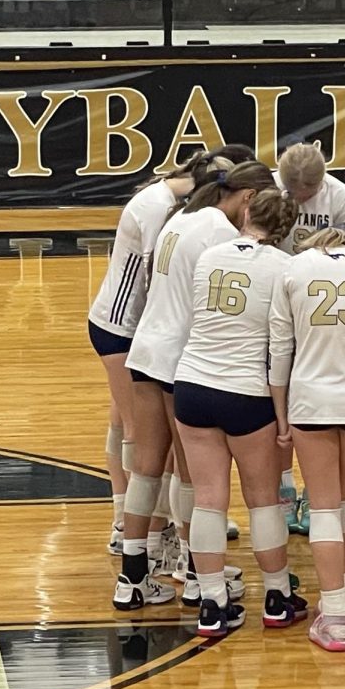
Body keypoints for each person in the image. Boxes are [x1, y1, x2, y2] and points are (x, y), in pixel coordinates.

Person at [113, 159, 275, 610]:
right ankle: (194, 570)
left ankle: (132, 576)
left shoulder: (178, 216)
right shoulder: (221, 235)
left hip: (146, 346)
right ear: (247, 199)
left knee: (145, 467)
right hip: (179, 358)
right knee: (190, 473)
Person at [88, 145, 255, 557]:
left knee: (134, 434)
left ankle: (140, 533)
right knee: (147, 443)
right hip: (126, 327)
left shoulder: (175, 207)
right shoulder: (165, 210)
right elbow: (156, 279)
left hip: (142, 333)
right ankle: (143, 532)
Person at [175, 186, 310, 636]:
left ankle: (212, 603)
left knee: (209, 500)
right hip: (248, 393)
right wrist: (284, 416)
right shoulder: (285, 269)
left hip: (193, 383)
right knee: (263, 499)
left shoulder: (210, 256)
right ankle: (276, 595)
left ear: (248, 209)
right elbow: (281, 349)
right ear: (287, 227)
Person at [269, 228, 345, 652]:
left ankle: (334, 617)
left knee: (322, 508)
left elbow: (280, 350)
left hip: (311, 398)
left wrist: (280, 414)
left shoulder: (292, 269)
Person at [273, 143, 345, 534]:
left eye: (307, 194)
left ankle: (313, 489)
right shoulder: (271, 189)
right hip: (278, 296)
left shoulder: (341, 196)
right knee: (281, 398)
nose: (301, 200)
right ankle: (285, 487)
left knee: (312, 402)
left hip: (320, 303)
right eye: (296, 194)